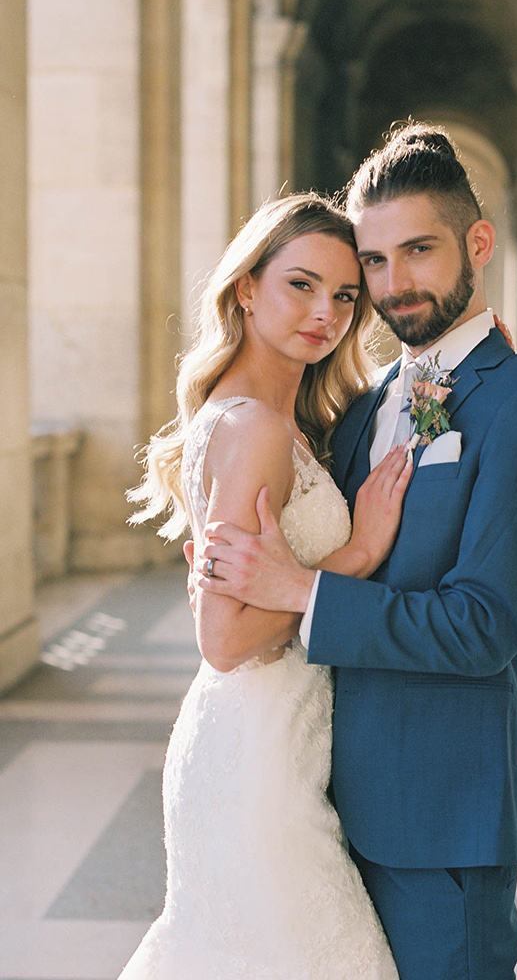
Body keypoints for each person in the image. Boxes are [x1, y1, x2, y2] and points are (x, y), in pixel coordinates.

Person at [192, 124, 517, 979]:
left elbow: (484, 628)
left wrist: (308, 592)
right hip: (317, 802)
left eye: (419, 250)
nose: (392, 283)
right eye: (373, 261)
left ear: (476, 244)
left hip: (438, 814)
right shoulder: (363, 407)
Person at [123, 192, 409, 977]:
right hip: (256, 769)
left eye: (346, 295)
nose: (326, 312)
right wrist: (357, 555)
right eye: (301, 285)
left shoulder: (273, 417)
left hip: (275, 748)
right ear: (246, 288)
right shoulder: (252, 427)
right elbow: (222, 640)